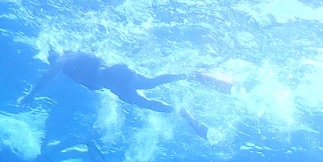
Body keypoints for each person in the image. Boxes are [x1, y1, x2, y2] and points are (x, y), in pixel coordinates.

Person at [19, 51, 222, 138]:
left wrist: (31, 94)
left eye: (51, 61)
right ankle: (182, 112)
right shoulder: (68, 68)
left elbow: (49, 74)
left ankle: (190, 75)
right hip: (114, 87)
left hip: (116, 75)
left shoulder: (64, 58)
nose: (52, 64)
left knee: (149, 83)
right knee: (147, 103)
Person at [0, 138, 116, 162]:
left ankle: (103, 161)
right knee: (77, 151)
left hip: (47, 160)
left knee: (78, 152)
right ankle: (102, 160)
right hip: (46, 157)